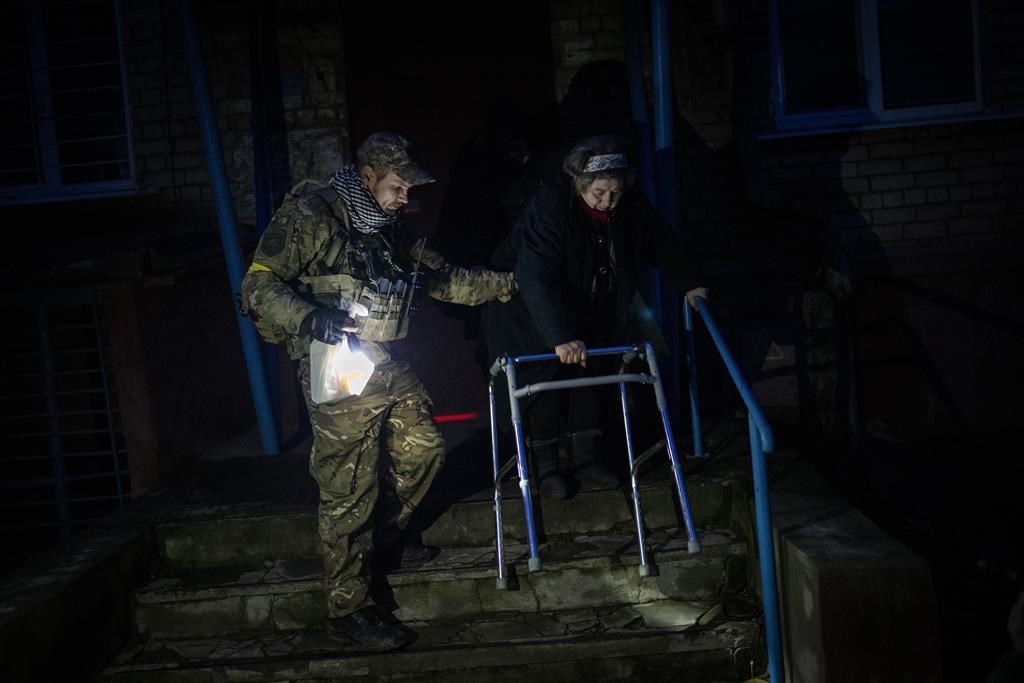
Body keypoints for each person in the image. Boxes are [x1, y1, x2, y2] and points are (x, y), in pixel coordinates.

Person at [240, 132, 515, 652]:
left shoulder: (387, 226)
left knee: (424, 449)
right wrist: (310, 316)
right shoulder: (311, 215)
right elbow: (256, 286)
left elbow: (443, 278)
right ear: (367, 176)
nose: (403, 199)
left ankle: (382, 541)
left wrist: (510, 284)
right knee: (348, 487)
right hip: (336, 363)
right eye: (395, 187)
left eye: (408, 189)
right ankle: (348, 609)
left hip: (384, 359)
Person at [483, 134, 708, 500]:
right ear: (580, 185)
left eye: (615, 192)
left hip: (589, 304)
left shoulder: (629, 207)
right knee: (544, 376)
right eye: (599, 192)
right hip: (528, 309)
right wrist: (558, 334)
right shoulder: (552, 207)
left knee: (591, 371)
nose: (608, 201)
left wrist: (691, 283)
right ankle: (547, 467)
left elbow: (661, 241)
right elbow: (535, 276)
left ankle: (588, 458)